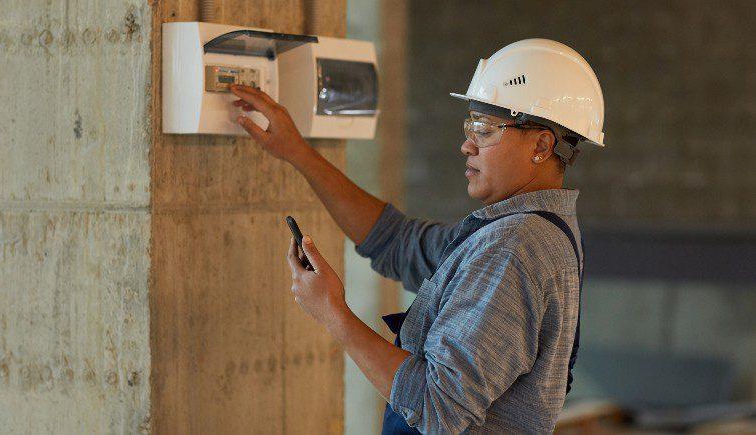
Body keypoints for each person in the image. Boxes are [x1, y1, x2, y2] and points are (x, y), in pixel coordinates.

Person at [230, 38, 605, 433]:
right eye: (469, 126)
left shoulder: (515, 245)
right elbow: (394, 240)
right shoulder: (519, 232)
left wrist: (332, 313)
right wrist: (298, 153)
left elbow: (437, 408)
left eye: (485, 130)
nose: (466, 145)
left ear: (542, 144)